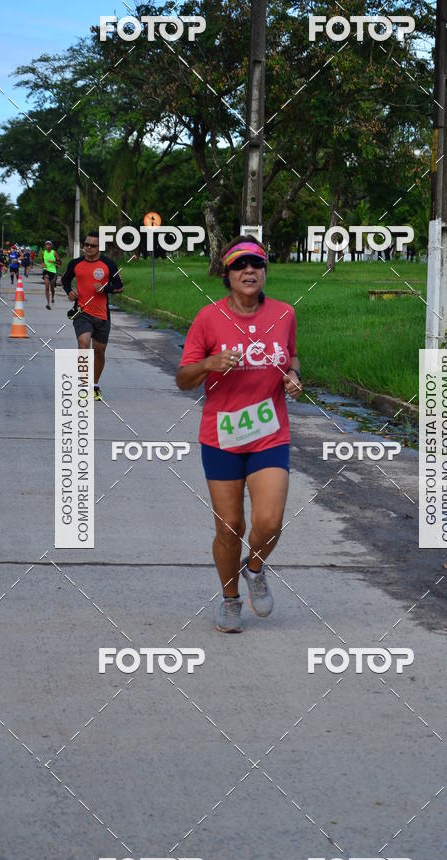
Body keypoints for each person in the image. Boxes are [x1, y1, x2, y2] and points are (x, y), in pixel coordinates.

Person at [176, 236, 302, 634]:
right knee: (230, 526)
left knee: (270, 521)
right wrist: (209, 363)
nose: (249, 271)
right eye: (240, 265)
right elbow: (183, 379)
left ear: (265, 272)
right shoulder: (208, 319)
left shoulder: (284, 314)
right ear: (226, 274)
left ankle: (255, 568)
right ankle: (230, 600)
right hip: (222, 436)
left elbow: (292, 355)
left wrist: (294, 376)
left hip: (270, 433)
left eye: (257, 264)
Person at [61, 230, 123, 401]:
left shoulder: (109, 265)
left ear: (99, 247)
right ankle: (82, 385)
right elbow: (65, 280)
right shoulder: (75, 263)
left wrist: (105, 289)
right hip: (82, 312)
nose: (88, 248)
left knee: (99, 352)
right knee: (83, 343)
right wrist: (69, 292)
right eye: (86, 244)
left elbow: (119, 287)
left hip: (102, 314)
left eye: (92, 245)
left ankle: (94, 386)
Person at [41, 240, 60, 309]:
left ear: (51, 246)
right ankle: (48, 303)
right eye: (46, 245)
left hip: (53, 272)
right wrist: (43, 264)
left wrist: (53, 261)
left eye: (49, 245)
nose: (48, 246)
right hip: (46, 271)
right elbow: (42, 261)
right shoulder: (43, 253)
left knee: (52, 287)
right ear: (45, 246)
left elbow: (60, 262)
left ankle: (52, 296)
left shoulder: (54, 253)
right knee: (46, 287)